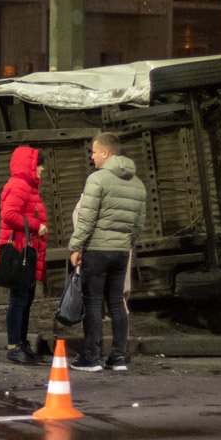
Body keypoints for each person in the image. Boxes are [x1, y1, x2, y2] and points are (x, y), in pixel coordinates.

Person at [68, 132, 147, 372]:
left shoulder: (97, 179)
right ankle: (119, 357)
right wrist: (126, 243)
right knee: (116, 303)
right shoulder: (138, 183)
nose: (92, 157)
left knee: (93, 303)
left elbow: (87, 218)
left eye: (94, 152)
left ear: (106, 152)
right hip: (121, 252)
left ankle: (92, 358)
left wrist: (76, 246)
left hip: (97, 250)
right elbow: (138, 224)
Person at [0, 145, 49, 365]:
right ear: (29, 165)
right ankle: (13, 346)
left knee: (25, 300)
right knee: (18, 300)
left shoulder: (28, 187)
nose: (42, 169)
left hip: (27, 250)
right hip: (19, 251)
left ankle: (20, 343)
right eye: (39, 164)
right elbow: (9, 214)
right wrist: (36, 226)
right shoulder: (19, 185)